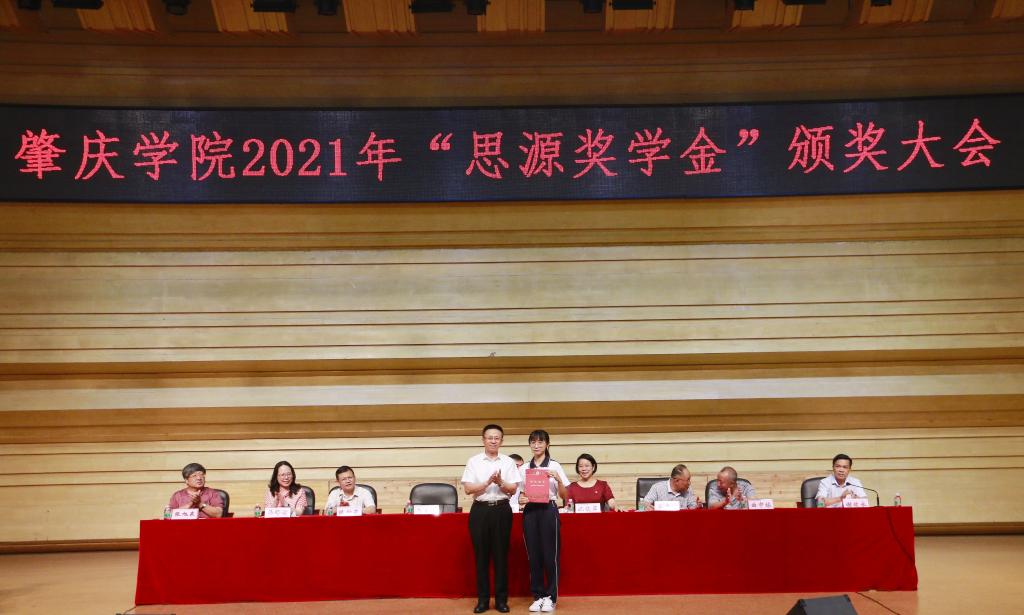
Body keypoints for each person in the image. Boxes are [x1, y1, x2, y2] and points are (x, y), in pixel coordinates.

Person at [461, 424, 521, 614]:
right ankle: (483, 601)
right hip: (480, 511)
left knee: (501, 556)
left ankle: (502, 600)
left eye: (497, 438)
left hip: (502, 510)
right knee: (481, 557)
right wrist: (487, 482)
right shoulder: (474, 461)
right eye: (490, 438)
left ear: (501, 441)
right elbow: (468, 489)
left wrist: (500, 482)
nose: (493, 441)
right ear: (483, 440)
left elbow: (513, 489)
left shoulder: (508, 462)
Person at [516, 430, 569, 613]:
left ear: (547, 444)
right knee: (534, 555)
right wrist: (521, 499)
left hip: (549, 510)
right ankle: (538, 596)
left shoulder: (554, 465)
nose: (536, 445)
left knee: (550, 556)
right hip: (530, 511)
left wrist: (559, 480)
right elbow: (521, 495)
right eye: (533, 442)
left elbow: (564, 496)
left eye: (540, 442)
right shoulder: (524, 468)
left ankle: (551, 597)